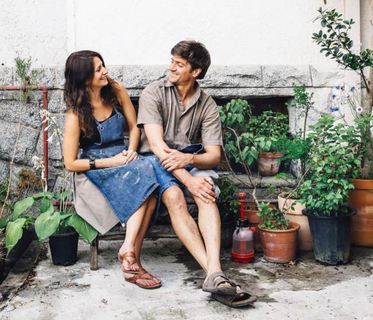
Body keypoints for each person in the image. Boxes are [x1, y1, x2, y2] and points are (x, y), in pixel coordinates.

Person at [137, 40, 256, 307]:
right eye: (172, 61)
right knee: (176, 196)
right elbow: (156, 147)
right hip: (154, 161)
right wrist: (189, 179)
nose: (172, 68)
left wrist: (190, 159)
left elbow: (213, 156)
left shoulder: (207, 104)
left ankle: (213, 274)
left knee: (206, 194)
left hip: (190, 158)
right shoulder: (152, 92)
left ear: (196, 71)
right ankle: (216, 275)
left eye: (179, 64)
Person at [63, 50, 161, 289]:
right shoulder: (75, 114)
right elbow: (70, 163)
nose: (105, 71)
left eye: (103, 66)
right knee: (148, 191)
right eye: (98, 69)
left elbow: (134, 125)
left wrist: (131, 150)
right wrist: (111, 162)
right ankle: (132, 259)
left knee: (148, 176)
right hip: (96, 168)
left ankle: (129, 253)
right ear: (85, 78)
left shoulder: (116, 90)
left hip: (123, 157)